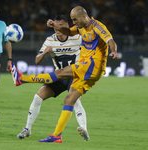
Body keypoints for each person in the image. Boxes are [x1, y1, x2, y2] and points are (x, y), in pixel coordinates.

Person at [11, 6, 119, 142]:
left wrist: (113, 51)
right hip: (89, 72)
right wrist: (54, 25)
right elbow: (69, 31)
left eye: (75, 19)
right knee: (69, 100)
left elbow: (110, 40)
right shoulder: (77, 29)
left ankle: (22, 79)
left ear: (83, 17)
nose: (74, 22)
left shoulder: (97, 26)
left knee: (60, 73)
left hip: (91, 65)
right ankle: (56, 135)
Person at [17, 15, 88, 142]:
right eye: (55, 26)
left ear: (67, 26)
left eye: (60, 26)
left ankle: (83, 128)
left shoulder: (78, 37)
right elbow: (37, 61)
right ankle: (27, 129)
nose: (57, 29)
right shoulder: (50, 40)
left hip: (74, 76)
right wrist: (45, 53)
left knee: (75, 100)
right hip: (59, 77)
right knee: (38, 97)